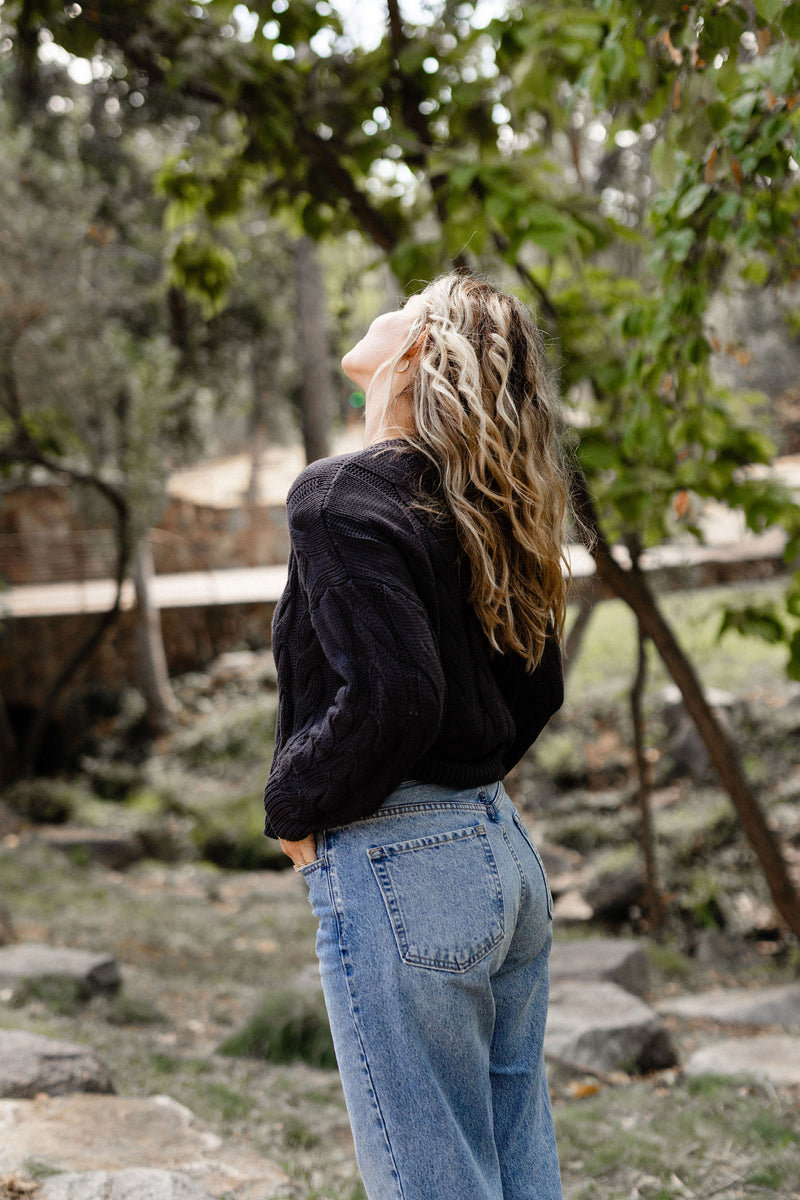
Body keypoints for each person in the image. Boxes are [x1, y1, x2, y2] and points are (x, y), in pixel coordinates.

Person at [263, 271, 570, 1200]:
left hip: (404, 872)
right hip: (501, 858)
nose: (387, 303)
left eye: (412, 301)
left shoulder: (339, 497)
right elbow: (540, 689)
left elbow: (397, 696)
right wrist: (462, 784)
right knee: (516, 1164)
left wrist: (292, 806)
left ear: (416, 350)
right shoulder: (477, 501)